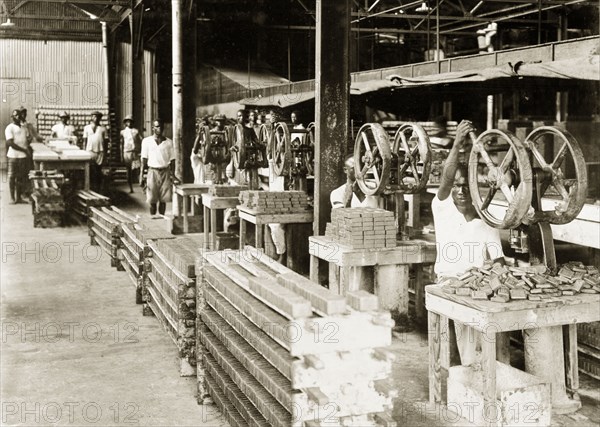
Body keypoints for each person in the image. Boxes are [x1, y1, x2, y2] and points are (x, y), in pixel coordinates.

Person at [432, 119, 505, 365]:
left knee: (483, 333)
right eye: (457, 186)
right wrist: (457, 143)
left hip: (476, 285)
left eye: (467, 186)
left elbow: (498, 260)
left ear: (477, 189)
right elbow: (446, 178)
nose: (461, 190)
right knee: (458, 340)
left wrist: (498, 279)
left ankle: (478, 372)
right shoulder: (442, 209)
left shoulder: (485, 219)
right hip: (447, 281)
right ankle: (463, 373)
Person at [140, 119, 176, 218]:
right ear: (153, 128)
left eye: (161, 127)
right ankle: (152, 219)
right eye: (157, 127)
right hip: (152, 172)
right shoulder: (146, 141)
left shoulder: (169, 142)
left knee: (163, 199)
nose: (159, 129)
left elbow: (172, 160)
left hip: (165, 172)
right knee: (152, 199)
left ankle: (161, 219)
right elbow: (143, 159)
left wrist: (173, 175)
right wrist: (141, 175)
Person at [5, 109, 31, 204]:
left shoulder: (24, 128)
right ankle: (12, 198)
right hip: (13, 156)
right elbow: (10, 143)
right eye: (15, 116)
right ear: (12, 117)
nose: (17, 117)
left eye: (19, 116)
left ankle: (19, 197)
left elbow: (27, 140)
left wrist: (29, 141)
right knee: (12, 176)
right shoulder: (9, 128)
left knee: (20, 177)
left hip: (22, 157)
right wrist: (24, 150)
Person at [83, 111, 107, 191]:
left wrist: (105, 154)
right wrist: (84, 152)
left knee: (98, 171)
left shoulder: (103, 128)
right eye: (94, 116)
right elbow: (85, 141)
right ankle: (90, 188)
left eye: (98, 117)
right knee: (90, 170)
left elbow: (106, 142)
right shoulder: (86, 128)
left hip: (100, 152)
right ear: (92, 117)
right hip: (89, 151)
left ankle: (98, 189)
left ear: (100, 118)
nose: (96, 118)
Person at [120, 115, 142, 193]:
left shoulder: (136, 131)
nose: (129, 123)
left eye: (130, 121)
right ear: (125, 122)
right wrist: (121, 155)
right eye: (127, 121)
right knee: (128, 170)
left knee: (138, 169)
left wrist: (140, 151)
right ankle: (130, 188)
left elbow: (141, 140)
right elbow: (121, 144)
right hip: (126, 152)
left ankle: (141, 186)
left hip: (135, 152)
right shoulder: (123, 132)